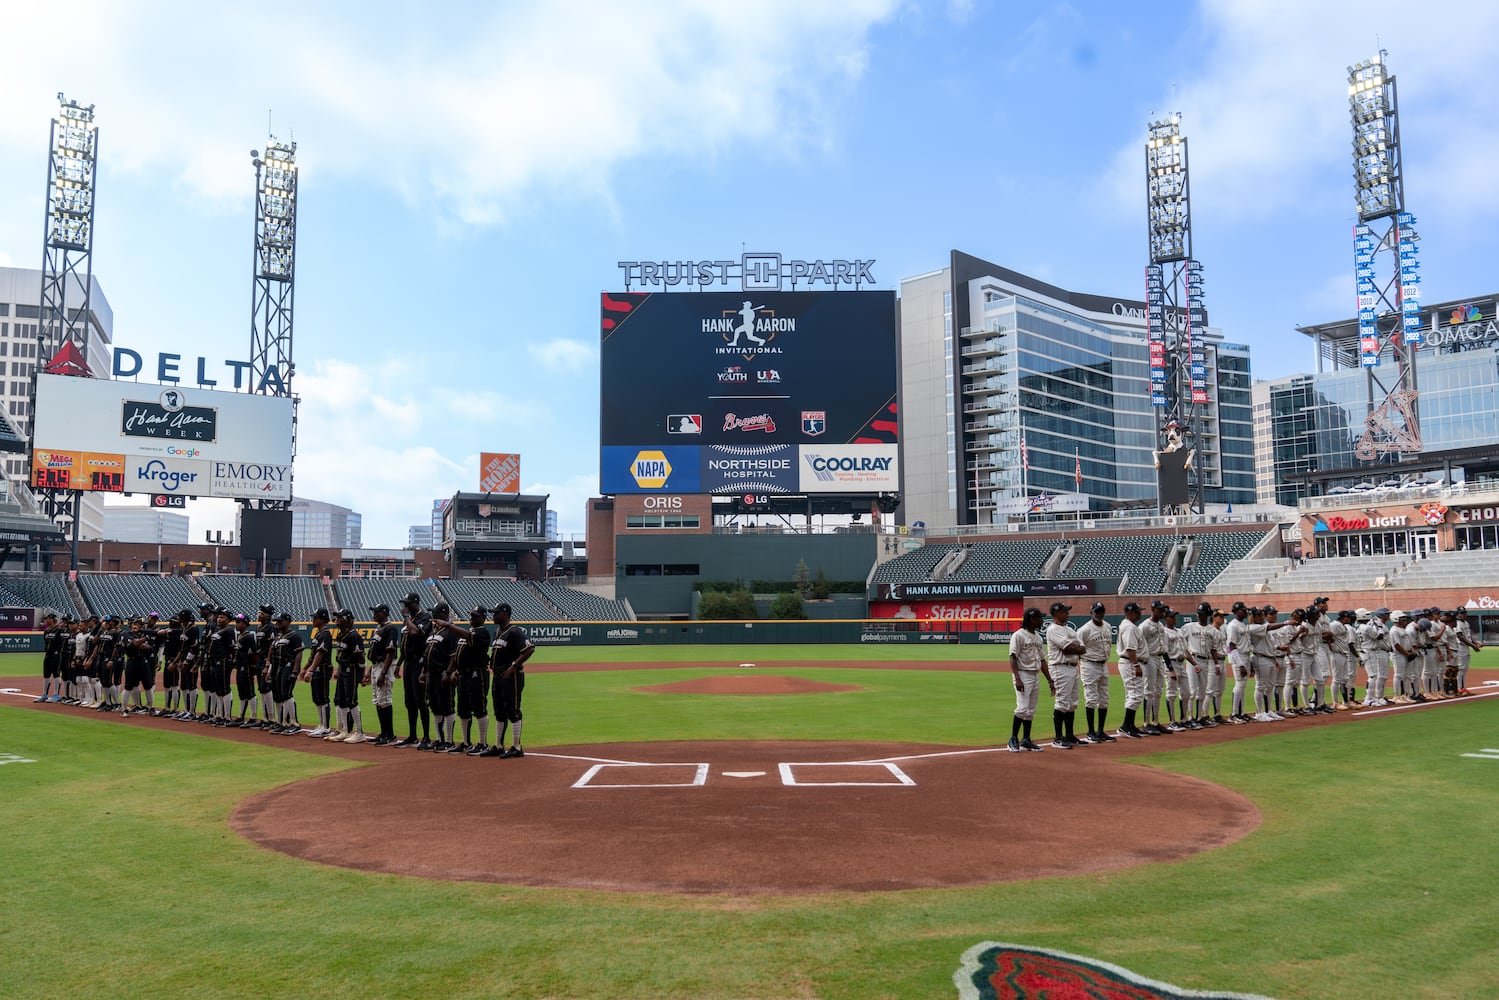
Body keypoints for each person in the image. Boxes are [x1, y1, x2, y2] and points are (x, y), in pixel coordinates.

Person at [482, 603, 534, 758]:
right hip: (498, 676)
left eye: (496, 613)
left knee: (513, 710)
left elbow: (529, 649)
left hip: (512, 677)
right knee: (499, 711)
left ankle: (516, 747)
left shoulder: (515, 632)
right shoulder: (498, 631)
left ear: (505, 614)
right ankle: (498, 745)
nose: (493, 615)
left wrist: (513, 666)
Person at [446, 606, 494, 755]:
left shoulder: (483, 632)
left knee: (479, 707)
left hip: (477, 673)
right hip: (463, 674)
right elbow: (458, 653)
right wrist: (454, 670)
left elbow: (469, 638)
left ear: (483, 618)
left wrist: (449, 625)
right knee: (463, 709)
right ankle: (466, 743)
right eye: (471, 615)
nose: (471, 618)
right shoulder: (468, 632)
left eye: (475, 616)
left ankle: (482, 743)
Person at [1006, 607, 1052, 752]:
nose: (1041, 620)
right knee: (1022, 708)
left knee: (1031, 709)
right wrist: (1017, 678)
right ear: (1031, 619)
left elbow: (1042, 660)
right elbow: (1012, 657)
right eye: (1039, 618)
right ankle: (1013, 738)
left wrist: (1050, 680)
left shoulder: (1038, 637)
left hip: (1034, 674)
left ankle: (1026, 739)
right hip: (1023, 674)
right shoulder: (1018, 635)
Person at [393, 592, 433, 749]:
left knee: (421, 700)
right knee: (409, 701)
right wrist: (398, 663)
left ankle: (427, 737)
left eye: (408, 603)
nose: (405, 606)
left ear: (416, 603)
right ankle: (412, 736)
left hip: (419, 662)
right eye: (404, 603)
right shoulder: (409, 619)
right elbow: (404, 644)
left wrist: (407, 618)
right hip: (408, 662)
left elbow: (415, 632)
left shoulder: (425, 617)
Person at [1075, 602, 1115, 743]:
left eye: (1101, 611)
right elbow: (1077, 649)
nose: (1099, 614)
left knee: (1104, 699)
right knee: (1091, 699)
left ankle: (1100, 731)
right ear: (1091, 612)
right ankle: (1091, 732)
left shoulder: (1108, 626)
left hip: (1103, 664)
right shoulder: (1084, 630)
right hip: (1089, 665)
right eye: (1097, 611)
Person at [1043, 602, 1082, 748]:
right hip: (1060, 668)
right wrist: (1074, 648)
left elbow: (1080, 647)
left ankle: (1069, 735)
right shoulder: (1053, 629)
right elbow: (1069, 648)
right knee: (1062, 703)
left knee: (1072, 703)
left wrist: (1074, 648)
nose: (1068, 613)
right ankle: (1058, 737)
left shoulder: (1068, 630)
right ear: (1057, 613)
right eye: (1065, 611)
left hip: (1072, 667)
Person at [422, 603, 460, 752]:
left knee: (447, 707)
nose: (433, 615)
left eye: (436, 613)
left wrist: (449, 672)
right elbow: (427, 653)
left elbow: (454, 654)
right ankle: (439, 739)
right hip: (431, 673)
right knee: (435, 707)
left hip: (443, 673)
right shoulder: (434, 630)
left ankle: (449, 741)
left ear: (444, 614)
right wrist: (423, 671)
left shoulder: (451, 631)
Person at [328, 608, 367, 743]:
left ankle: (360, 732)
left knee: (351, 700)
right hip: (343, 669)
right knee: (342, 700)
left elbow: (360, 657)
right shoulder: (340, 634)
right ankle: (345, 730)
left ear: (348, 619)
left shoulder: (353, 636)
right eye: (337, 617)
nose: (337, 619)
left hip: (353, 669)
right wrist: (339, 670)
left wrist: (363, 675)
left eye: (341, 617)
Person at [366, 604, 401, 745]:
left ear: (384, 613)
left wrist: (383, 673)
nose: (374, 614)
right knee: (378, 700)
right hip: (376, 665)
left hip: (384, 666)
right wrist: (370, 671)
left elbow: (390, 651)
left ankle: (390, 735)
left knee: (385, 699)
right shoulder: (379, 628)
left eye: (376, 612)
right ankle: (383, 733)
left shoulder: (390, 628)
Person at [267, 611, 305, 734]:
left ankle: (294, 722)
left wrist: (295, 670)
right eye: (277, 621)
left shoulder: (294, 636)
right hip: (278, 666)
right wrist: (270, 670)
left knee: (286, 693)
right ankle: (282, 722)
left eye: (280, 621)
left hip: (289, 665)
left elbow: (298, 654)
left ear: (288, 622)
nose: (277, 623)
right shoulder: (278, 637)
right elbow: (273, 655)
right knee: (278, 695)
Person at [1114, 601, 1146, 738]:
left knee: (1132, 694)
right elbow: (1130, 648)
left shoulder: (1129, 626)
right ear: (1130, 613)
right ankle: (1125, 727)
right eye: (1137, 612)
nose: (1140, 614)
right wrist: (1136, 665)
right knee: (1135, 695)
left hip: (1129, 662)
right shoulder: (1130, 627)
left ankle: (1130, 725)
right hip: (1130, 662)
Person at [301, 608, 335, 737]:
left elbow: (320, 653)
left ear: (322, 619)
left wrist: (310, 669)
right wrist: (305, 668)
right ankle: (321, 724)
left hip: (323, 668)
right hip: (317, 669)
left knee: (323, 697)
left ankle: (325, 727)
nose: (313, 620)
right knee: (317, 698)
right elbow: (312, 654)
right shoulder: (318, 634)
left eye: (315, 618)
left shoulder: (325, 634)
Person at [230, 613, 261, 727]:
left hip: (247, 667)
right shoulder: (241, 636)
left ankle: (253, 717)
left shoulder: (248, 637)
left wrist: (253, 668)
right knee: (242, 693)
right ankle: (241, 716)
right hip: (240, 667)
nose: (236, 624)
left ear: (245, 624)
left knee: (250, 692)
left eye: (238, 622)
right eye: (236, 622)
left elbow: (253, 654)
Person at [1360, 608, 1392, 706]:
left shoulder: (1378, 624)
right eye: (1387, 614)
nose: (1389, 615)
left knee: (1383, 675)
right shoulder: (1374, 624)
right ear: (1382, 615)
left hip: (1384, 651)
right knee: (1379, 675)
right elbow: (1377, 637)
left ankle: (1380, 696)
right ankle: (1377, 697)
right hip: (1378, 651)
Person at [36, 612, 62, 703]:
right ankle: (44, 694)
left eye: (47, 619)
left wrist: (57, 652)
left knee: (56, 673)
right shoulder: (46, 631)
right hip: (48, 654)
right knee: (46, 674)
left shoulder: (59, 630)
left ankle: (56, 694)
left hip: (56, 654)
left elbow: (60, 643)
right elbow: (46, 642)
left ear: (52, 619)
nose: (46, 620)